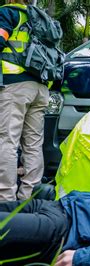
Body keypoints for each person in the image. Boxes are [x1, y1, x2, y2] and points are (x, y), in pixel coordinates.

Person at [0, 0, 49, 201]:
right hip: (40, 87)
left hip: (15, 86)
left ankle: (5, 198)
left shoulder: (8, 13)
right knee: (33, 144)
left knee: (7, 141)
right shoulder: (42, 19)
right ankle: (29, 196)